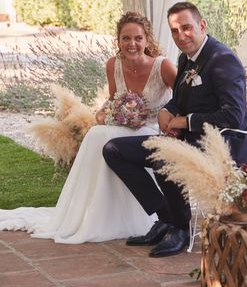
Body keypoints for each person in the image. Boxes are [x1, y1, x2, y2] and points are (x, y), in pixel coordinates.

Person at [0, 12, 177, 242]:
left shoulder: (162, 66)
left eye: (138, 38)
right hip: (123, 126)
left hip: (151, 128)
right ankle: (94, 213)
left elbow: (181, 99)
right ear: (118, 41)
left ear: (147, 40)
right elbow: (114, 99)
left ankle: (142, 213)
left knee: (104, 137)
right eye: (125, 38)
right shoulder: (113, 64)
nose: (132, 44)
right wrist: (105, 113)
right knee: (97, 133)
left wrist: (168, 119)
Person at [103, 1, 247, 257]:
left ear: (202, 25)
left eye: (186, 28)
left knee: (165, 159)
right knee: (114, 150)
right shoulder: (187, 59)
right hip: (189, 140)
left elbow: (234, 115)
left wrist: (185, 122)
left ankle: (181, 228)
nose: (181, 36)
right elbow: (180, 99)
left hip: (222, 144)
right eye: (175, 31)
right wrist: (168, 111)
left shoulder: (223, 60)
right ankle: (166, 216)